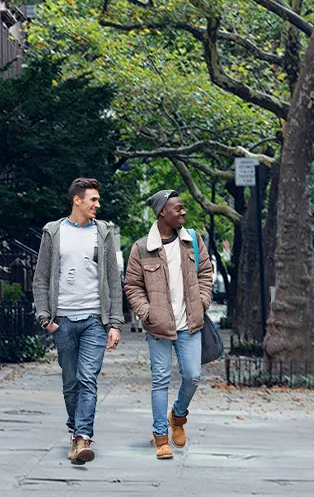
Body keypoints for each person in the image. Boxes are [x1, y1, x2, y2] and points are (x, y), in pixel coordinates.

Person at [31, 177, 124, 465]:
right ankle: (76, 428)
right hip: (63, 320)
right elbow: (41, 277)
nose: (98, 204)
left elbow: (112, 280)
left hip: (95, 319)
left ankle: (82, 437)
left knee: (87, 379)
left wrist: (115, 323)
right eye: (93, 199)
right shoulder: (54, 231)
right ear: (77, 200)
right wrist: (45, 317)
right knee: (71, 382)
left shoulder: (104, 232)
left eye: (98, 199)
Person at [124, 190, 213, 460]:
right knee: (160, 380)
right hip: (158, 327)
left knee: (192, 376)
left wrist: (203, 301)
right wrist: (146, 313)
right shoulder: (141, 248)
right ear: (163, 211)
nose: (183, 212)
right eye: (179, 208)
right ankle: (161, 436)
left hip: (190, 325)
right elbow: (132, 285)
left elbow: (205, 273)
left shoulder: (193, 241)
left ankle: (178, 415)